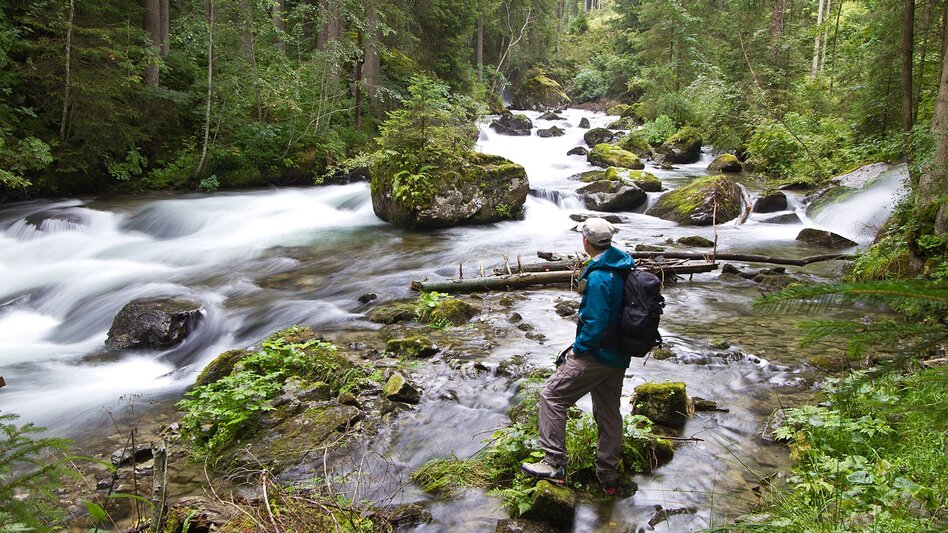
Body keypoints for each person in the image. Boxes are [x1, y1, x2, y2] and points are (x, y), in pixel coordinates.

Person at [520, 217, 634, 495]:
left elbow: (595, 323)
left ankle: (553, 464)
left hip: (597, 354)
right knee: (608, 411)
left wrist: (577, 350)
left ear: (586, 242)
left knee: (552, 396)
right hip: (619, 353)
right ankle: (607, 475)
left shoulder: (600, 276)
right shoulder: (622, 266)